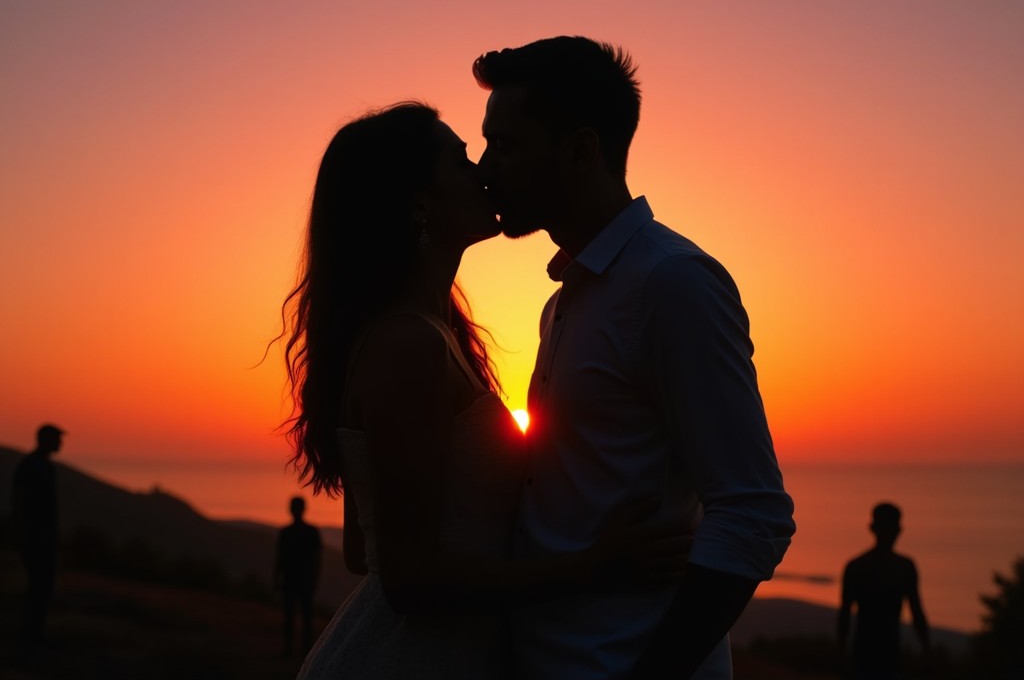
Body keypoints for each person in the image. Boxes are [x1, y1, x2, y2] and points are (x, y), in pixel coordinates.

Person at [279, 101, 685, 679]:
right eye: (462, 159)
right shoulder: (407, 346)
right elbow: (408, 579)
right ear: (418, 200)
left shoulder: (431, 335)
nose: (485, 171)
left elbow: (361, 548)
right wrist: (592, 566)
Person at [472, 35, 797, 679]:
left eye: (505, 146)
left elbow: (755, 514)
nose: (486, 168)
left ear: (580, 150)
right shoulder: (566, 300)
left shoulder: (672, 284)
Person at [837, 502, 930, 680]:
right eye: (885, 526)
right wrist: (927, 650)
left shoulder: (857, 566)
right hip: (874, 659)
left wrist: (841, 653)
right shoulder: (903, 567)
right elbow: (844, 613)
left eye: (890, 527)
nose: (888, 532)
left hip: (878, 658)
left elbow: (845, 613)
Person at [10, 422, 65, 652]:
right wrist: (24, 536)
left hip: (44, 538)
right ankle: (30, 636)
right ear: (45, 440)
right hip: (35, 538)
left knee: (42, 587)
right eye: (57, 438)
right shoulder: (32, 466)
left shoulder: (43, 466)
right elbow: (20, 503)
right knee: (38, 587)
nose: (61, 443)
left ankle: (34, 633)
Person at [274, 496, 323, 657]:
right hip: (300, 579)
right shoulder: (309, 532)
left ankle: (296, 650)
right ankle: (301, 651)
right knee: (299, 616)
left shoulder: (288, 532)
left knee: (297, 616)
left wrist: (276, 578)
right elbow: (280, 558)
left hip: (297, 579)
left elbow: (280, 558)